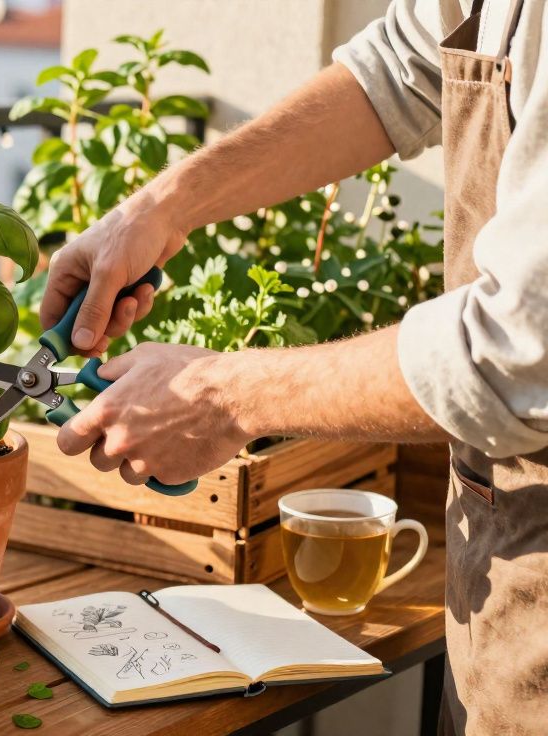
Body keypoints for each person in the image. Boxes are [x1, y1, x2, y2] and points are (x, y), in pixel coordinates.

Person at [42, 0, 547, 732]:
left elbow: (518, 350)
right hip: (497, 579)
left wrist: (220, 396)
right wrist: (156, 209)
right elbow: (402, 69)